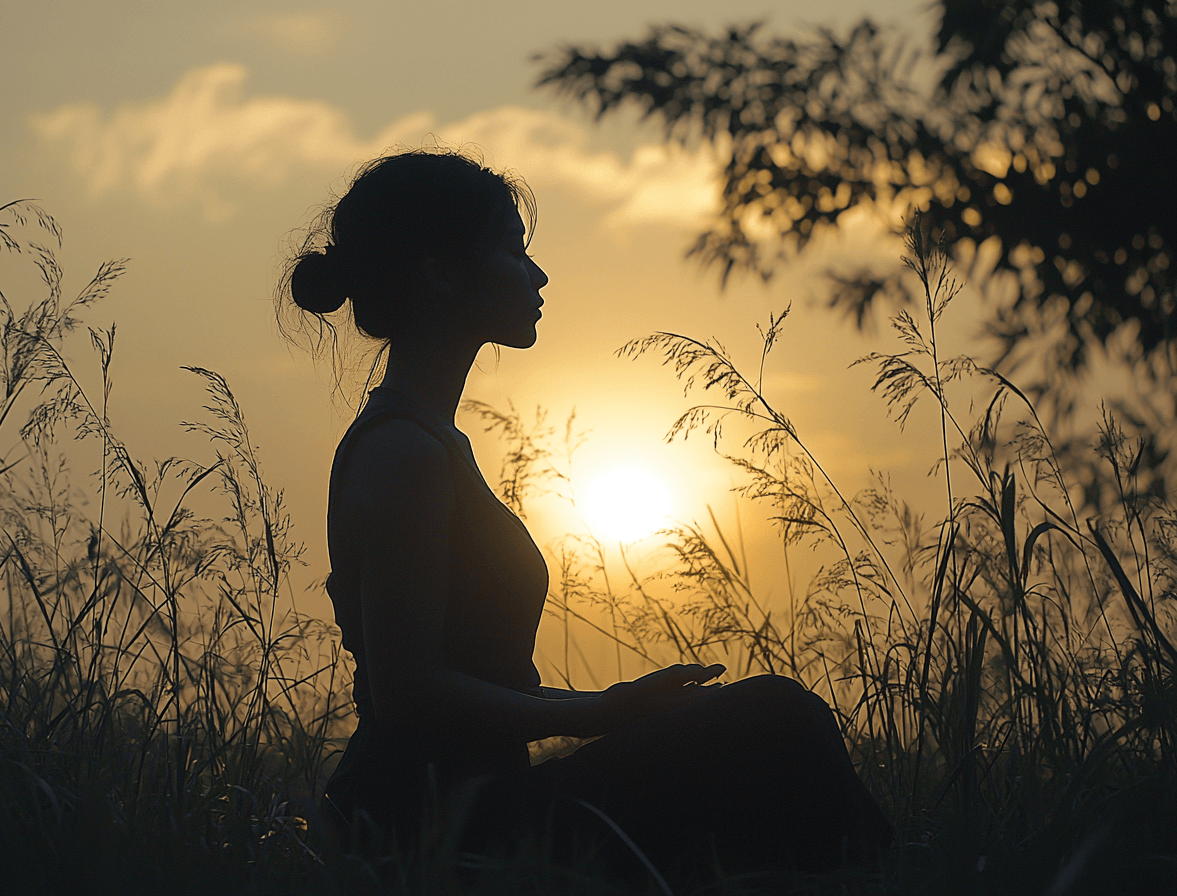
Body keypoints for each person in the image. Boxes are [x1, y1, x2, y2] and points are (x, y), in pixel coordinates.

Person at [280, 147, 891, 879]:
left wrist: (621, 705)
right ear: (440, 274)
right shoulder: (403, 455)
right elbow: (408, 695)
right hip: (425, 825)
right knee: (778, 721)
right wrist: (598, 716)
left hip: (483, 800)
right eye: (514, 252)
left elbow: (480, 679)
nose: (537, 275)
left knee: (764, 742)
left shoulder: (433, 443)